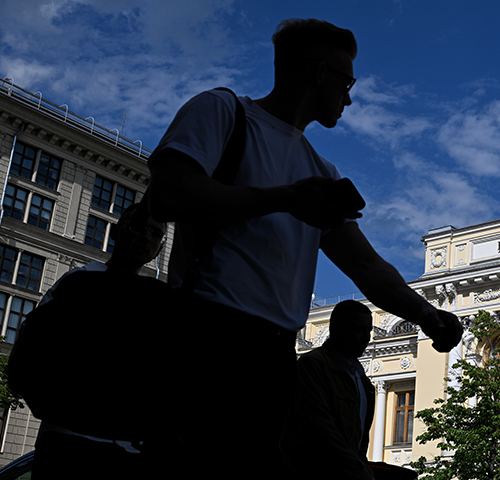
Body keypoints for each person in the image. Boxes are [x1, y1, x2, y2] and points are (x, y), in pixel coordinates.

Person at [146, 18, 463, 477]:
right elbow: (168, 192)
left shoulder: (320, 171)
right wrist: (285, 199)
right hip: (207, 337)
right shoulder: (223, 113)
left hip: (274, 356)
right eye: (346, 83)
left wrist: (427, 315)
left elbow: (366, 265)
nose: (349, 98)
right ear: (318, 73)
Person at [30, 204, 170, 480]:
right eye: (138, 226)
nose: (145, 236)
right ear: (116, 231)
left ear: (159, 249)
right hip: (67, 444)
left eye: (155, 233)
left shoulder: (157, 302)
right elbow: (32, 352)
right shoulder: (77, 283)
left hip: (126, 452)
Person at [281, 300, 375, 479]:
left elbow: (359, 440)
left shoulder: (363, 380)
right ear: (338, 329)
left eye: (368, 330)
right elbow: (320, 430)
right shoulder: (313, 365)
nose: (366, 338)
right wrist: (360, 471)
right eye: (358, 329)